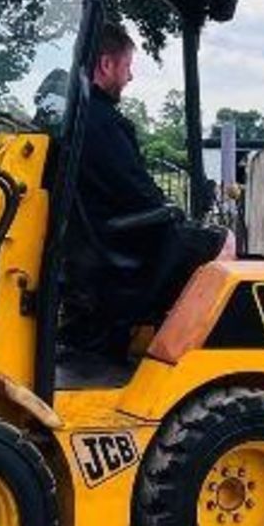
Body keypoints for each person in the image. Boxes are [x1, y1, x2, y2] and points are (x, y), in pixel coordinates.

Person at [64, 22, 224, 357]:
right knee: (225, 244)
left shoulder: (71, 120)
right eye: (127, 67)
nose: (130, 78)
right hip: (114, 248)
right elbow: (140, 195)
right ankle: (180, 356)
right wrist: (171, 208)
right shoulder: (104, 124)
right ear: (106, 65)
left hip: (89, 246)